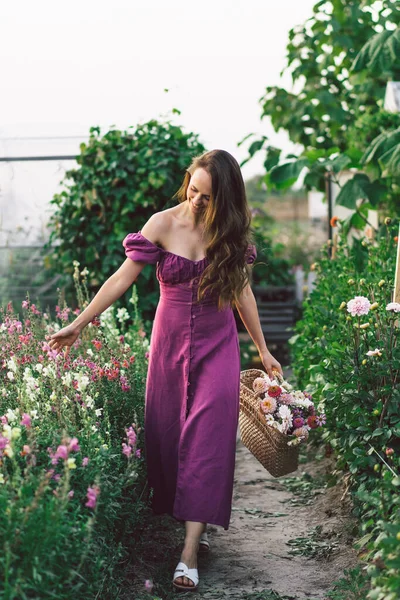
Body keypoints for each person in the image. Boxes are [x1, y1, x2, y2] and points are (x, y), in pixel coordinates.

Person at [48, 148, 283, 592]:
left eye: (208, 197)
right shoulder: (161, 224)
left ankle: (189, 552)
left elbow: (243, 294)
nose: (197, 201)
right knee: (170, 436)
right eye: (194, 189)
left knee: (208, 440)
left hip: (218, 346)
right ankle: (191, 522)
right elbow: (121, 278)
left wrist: (264, 350)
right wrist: (78, 325)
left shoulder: (229, 235)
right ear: (187, 181)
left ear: (226, 200)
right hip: (169, 345)